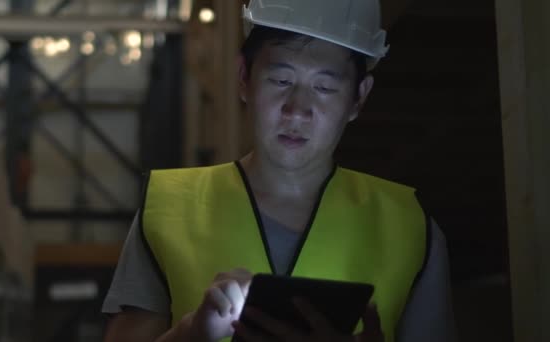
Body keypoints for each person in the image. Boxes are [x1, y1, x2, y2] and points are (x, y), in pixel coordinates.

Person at [102, 1, 457, 341]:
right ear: (244, 77)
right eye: (281, 80)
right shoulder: (167, 210)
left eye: (325, 87)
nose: (297, 110)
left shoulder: (410, 227)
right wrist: (193, 333)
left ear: (358, 98)